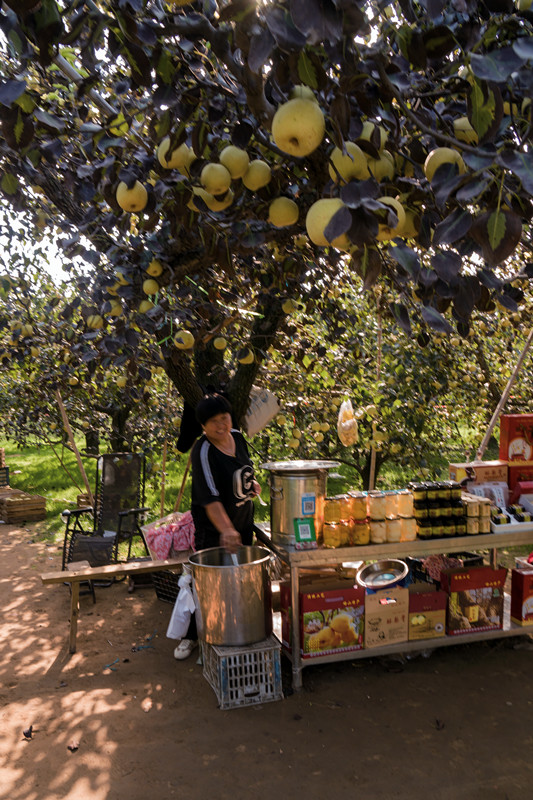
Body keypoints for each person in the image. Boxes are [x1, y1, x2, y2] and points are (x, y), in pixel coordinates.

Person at [173, 392, 261, 660]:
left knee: (238, 583)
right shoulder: (203, 451)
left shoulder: (237, 437)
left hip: (242, 525)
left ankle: (230, 632)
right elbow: (209, 499)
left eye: (224, 418)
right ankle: (191, 637)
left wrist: (250, 484)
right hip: (215, 531)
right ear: (203, 426)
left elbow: (243, 469)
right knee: (205, 585)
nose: (221, 425)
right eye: (213, 422)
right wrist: (226, 530)